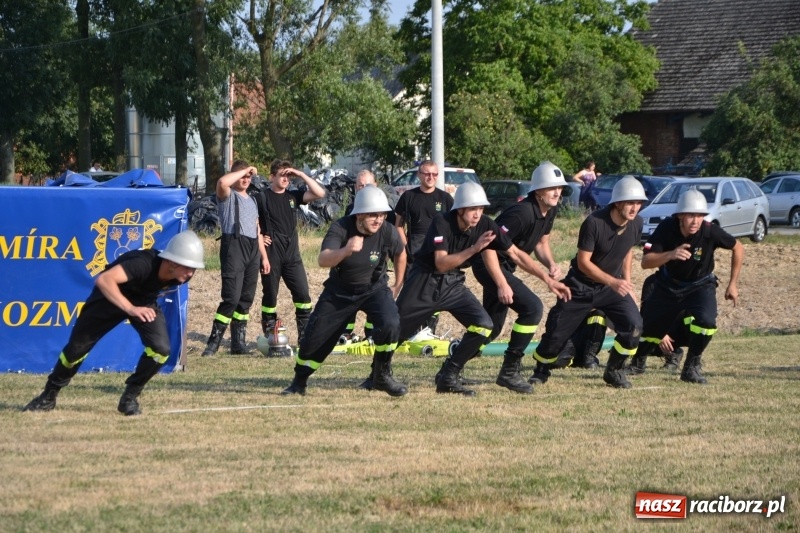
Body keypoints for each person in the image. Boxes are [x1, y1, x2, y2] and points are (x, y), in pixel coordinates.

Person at [391, 182, 571, 396]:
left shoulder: (486, 224)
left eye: (481, 209)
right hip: (424, 280)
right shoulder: (442, 223)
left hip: (452, 283)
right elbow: (441, 263)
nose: (478, 214)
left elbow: (515, 253)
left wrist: (547, 279)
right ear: (460, 209)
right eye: (473, 209)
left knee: (485, 325)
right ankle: (378, 373)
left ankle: (449, 375)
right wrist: (477, 251)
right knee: (395, 330)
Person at [23, 230, 205, 416]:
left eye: (194, 268)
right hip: (108, 299)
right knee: (75, 351)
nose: (191, 272)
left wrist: (139, 307)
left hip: (143, 301)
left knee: (161, 349)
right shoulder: (142, 264)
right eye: (187, 267)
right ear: (172, 262)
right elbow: (104, 279)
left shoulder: (181, 276)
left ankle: (129, 398)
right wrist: (131, 309)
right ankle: (48, 396)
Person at [281, 186, 407, 396]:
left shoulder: (387, 230)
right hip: (340, 291)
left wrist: (398, 284)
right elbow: (323, 259)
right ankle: (299, 382)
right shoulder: (340, 228)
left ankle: (381, 375)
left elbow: (401, 253)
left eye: (382, 214)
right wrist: (346, 250)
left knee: (391, 323)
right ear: (359, 214)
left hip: (374, 289)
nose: (378, 219)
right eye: (373, 215)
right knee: (315, 337)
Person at [529, 175, 647, 389]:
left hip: (611, 287)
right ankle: (541, 370)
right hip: (580, 285)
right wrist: (613, 281)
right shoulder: (594, 222)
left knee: (634, 327)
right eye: (631, 202)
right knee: (556, 334)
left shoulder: (636, 223)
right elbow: (584, 263)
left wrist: (626, 284)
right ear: (618, 202)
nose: (635, 207)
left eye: (639, 203)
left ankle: (614, 371)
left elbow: (628, 250)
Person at [471, 161, 572, 394]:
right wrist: (501, 282)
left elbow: (541, 242)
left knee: (491, 328)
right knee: (533, 308)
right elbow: (490, 247)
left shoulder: (550, 209)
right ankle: (509, 372)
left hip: (506, 266)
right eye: (551, 188)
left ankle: (453, 364)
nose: (557, 192)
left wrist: (551, 264)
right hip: (489, 264)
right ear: (538, 191)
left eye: (559, 187)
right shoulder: (521, 213)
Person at [627, 188, 743, 383]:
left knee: (706, 322)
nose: (695, 220)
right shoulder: (666, 228)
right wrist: (670, 254)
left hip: (700, 285)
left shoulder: (709, 230)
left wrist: (733, 284)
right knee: (648, 328)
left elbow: (738, 247)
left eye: (700, 215)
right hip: (668, 285)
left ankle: (691, 367)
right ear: (680, 215)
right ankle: (638, 363)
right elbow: (646, 262)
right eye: (691, 215)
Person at [201, 161, 270, 357]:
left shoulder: (253, 200)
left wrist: (263, 257)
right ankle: (213, 344)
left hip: (252, 251)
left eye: (249, 177)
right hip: (234, 247)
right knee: (231, 297)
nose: (246, 179)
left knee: (245, 299)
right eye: (242, 176)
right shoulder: (227, 196)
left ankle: (238, 345)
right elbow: (222, 182)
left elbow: (257, 231)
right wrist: (244, 170)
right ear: (235, 176)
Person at [256, 159, 327, 346]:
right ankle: (271, 337)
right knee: (270, 296)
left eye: (288, 176)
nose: (286, 179)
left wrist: (301, 175)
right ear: (272, 177)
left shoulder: (293, 196)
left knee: (303, 295)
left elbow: (320, 193)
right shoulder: (261, 197)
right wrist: (259, 239)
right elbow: (252, 223)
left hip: (292, 255)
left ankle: (304, 337)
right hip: (272, 253)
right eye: (282, 175)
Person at [394, 160, 454, 334]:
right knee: (413, 292)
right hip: (415, 252)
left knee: (434, 292)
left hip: (438, 252)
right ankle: (410, 331)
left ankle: (429, 331)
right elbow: (398, 225)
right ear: (419, 175)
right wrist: (405, 245)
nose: (430, 177)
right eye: (427, 173)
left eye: (434, 174)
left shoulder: (445, 198)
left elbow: (454, 226)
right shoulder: (408, 197)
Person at [341, 170, 396, 342]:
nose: (364, 188)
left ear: (376, 186)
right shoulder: (351, 209)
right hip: (355, 267)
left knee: (376, 300)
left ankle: (372, 335)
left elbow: (390, 239)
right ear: (356, 188)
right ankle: (345, 334)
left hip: (377, 264)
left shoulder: (386, 210)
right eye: (360, 185)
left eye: (368, 185)